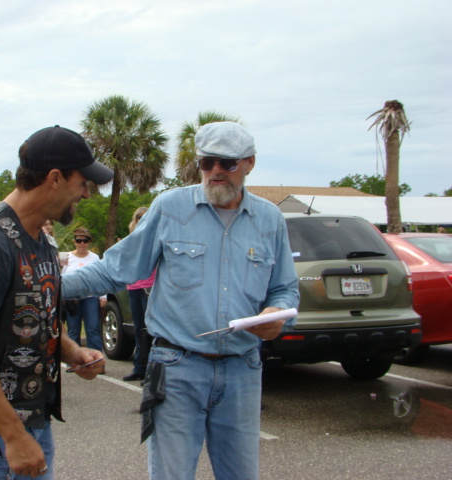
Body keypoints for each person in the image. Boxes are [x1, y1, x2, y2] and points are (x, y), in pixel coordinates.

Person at [61, 121, 299, 479]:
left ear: (249, 163)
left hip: (242, 370)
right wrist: (44, 288)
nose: (215, 171)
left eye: (227, 163)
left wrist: (277, 313)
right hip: (176, 368)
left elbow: (285, 289)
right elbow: (114, 270)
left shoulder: (270, 219)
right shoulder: (171, 207)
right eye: (207, 163)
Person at [0, 125, 113, 480]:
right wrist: (14, 435)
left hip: (29, 423)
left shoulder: (41, 240)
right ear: (55, 178)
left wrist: (73, 352)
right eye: (83, 181)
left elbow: (33, 321)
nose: (87, 193)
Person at [122, 207, 156, 382]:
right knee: (139, 329)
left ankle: (151, 371)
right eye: (139, 217)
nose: (142, 219)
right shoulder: (130, 240)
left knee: (151, 330)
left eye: (145, 217)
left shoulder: (154, 238)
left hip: (150, 286)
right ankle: (139, 368)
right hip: (133, 287)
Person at [62, 228, 106, 351]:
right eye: (79, 240)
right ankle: (73, 361)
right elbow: (61, 278)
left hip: (90, 296)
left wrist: (103, 296)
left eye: (85, 241)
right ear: (74, 241)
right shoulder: (67, 257)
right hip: (72, 298)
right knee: (73, 330)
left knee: (93, 329)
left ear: (89, 242)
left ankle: (96, 361)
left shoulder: (95, 258)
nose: (82, 243)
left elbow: (101, 278)